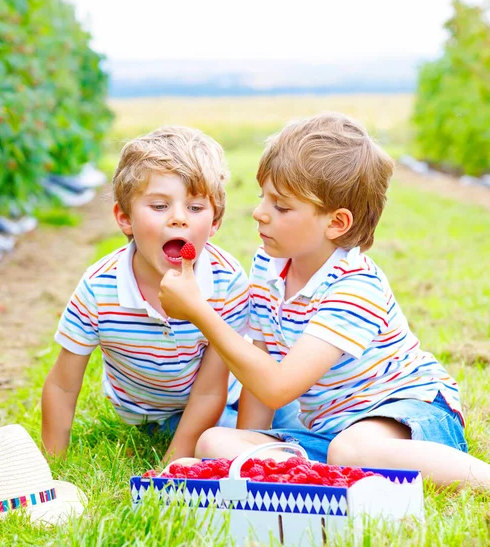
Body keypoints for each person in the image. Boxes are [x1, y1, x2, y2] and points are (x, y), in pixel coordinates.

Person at [158, 113, 490, 489]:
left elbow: (279, 387)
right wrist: (246, 446)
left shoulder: (354, 287)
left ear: (336, 223)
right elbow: (260, 370)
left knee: (354, 450)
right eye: (262, 196)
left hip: (410, 416)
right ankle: (331, 479)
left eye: (281, 206)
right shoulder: (269, 264)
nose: (259, 212)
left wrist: (200, 312)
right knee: (216, 441)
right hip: (331, 435)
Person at [42, 126, 250, 464]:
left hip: (228, 394)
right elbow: (62, 386)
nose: (179, 218)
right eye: (159, 205)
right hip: (162, 416)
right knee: (224, 440)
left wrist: (168, 471)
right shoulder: (100, 288)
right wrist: (54, 466)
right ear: (125, 218)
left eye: (196, 208)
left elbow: (212, 389)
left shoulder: (226, 282)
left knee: (291, 414)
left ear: (215, 224)